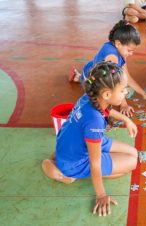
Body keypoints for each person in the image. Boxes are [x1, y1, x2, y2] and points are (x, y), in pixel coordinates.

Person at [43, 61, 139, 216]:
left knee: (134, 153)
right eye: (122, 90)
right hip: (77, 161)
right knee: (132, 163)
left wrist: (126, 120)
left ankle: (64, 162)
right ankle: (66, 174)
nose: (125, 93)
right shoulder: (95, 122)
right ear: (106, 94)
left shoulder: (90, 97)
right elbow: (95, 163)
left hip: (78, 145)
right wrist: (101, 195)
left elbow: (105, 109)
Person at [70, 20, 146, 117]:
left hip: (94, 69)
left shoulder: (120, 51)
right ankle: (80, 78)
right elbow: (116, 83)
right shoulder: (112, 57)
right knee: (99, 94)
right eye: (129, 50)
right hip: (93, 76)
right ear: (118, 43)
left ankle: (79, 77)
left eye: (133, 51)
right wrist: (123, 104)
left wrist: (144, 93)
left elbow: (126, 76)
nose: (131, 54)